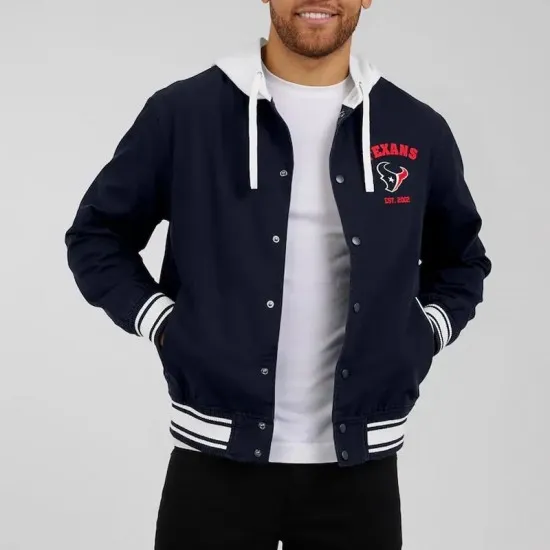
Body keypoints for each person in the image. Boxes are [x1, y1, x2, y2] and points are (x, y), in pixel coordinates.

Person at [64, 0, 492, 548]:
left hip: (359, 474)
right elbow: (97, 234)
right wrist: (165, 323)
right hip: (213, 463)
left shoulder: (416, 128)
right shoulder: (184, 114)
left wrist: (422, 333)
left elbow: (462, 260)